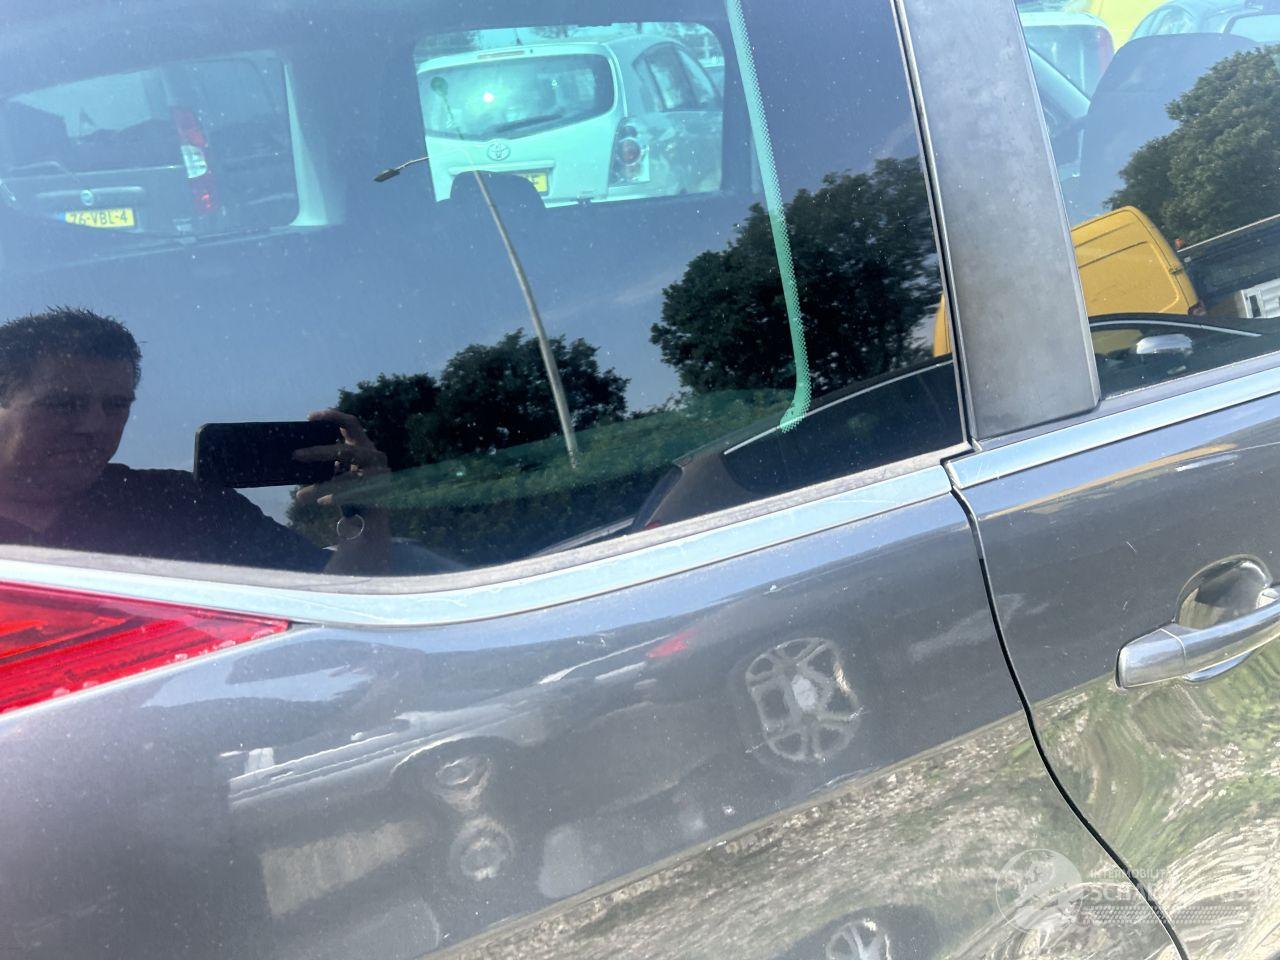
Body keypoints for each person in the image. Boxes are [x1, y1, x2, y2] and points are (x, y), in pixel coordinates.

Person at [0, 306, 389, 573]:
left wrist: (368, 514)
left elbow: (335, 601)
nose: (94, 425)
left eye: (116, 405)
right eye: (63, 404)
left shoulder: (185, 506)